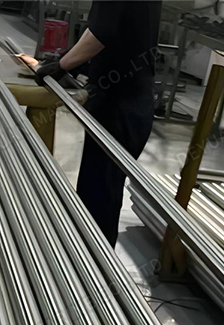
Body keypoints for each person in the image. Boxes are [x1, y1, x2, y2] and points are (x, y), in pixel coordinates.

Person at [36, 0, 161, 246]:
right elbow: (116, 31)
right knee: (101, 194)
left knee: (99, 198)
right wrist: (73, 62)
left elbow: (102, 33)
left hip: (119, 104)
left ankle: (94, 264)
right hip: (131, 98)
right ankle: (92, 258)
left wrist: (62, 65)